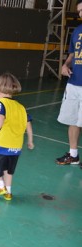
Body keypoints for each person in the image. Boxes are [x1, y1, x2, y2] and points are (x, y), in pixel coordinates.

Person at [0, 73, 34, 201]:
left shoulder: (0, 103)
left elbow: (0, 118)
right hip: (16, 147)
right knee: (8, 170)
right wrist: (30, 140)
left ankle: (0, 186)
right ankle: (8, 193)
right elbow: (28, 124)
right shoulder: (21, 107)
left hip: (2, 143)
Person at [55, 0, 82, 168]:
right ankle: (73, 155)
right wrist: (65, 65)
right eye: (79, 11)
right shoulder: (77, 31)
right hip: (73, 83)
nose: (80, 13)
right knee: (73, 120)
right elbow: (72, 55)